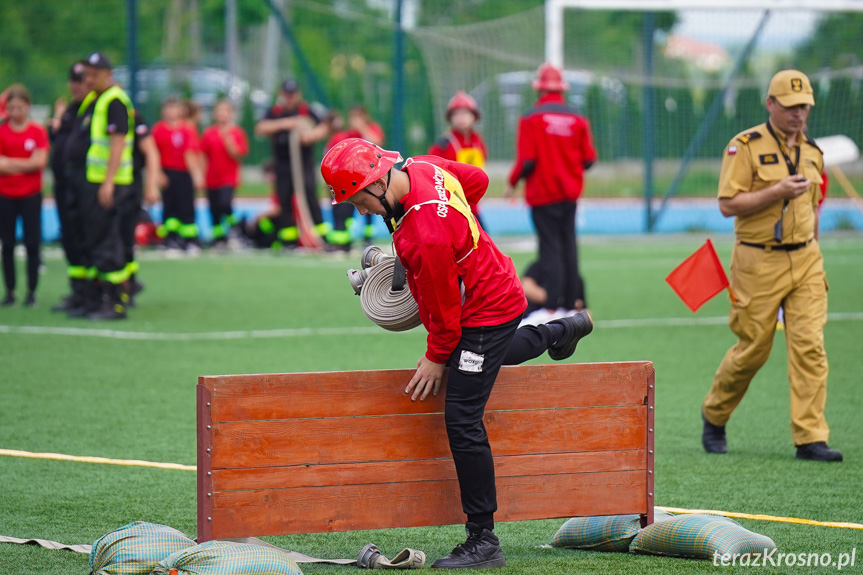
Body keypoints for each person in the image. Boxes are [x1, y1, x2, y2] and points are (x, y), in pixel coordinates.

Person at [321, 138, 594, 569]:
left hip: (487, 308)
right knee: (476, 361)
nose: (360, 211)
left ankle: (483, 540)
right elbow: (478, 180)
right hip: (493, 283)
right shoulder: (422, 168)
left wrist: (434, 356)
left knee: (461, 415)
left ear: (376, 182)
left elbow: (446, 319)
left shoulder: (422, 236)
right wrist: (459, 231)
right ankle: (563, 330)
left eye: (357, 201)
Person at [700, 70, 842, 462]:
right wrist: (776, 191)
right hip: (757, 260)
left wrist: (813, 246)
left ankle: (810, 437)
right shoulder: (744, 146)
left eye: (806, 107)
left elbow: (813, 206)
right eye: (792, 106)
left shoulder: (813, 151)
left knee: (810, 346)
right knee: (753, 349)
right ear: (771, 104)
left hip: (807, 259)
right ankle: (714, 413)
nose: (800, 114)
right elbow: (727, 204)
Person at [505, 62, 597, 323]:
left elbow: (527, 160)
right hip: (569, 194)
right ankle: (570, 303)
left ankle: (553, 305)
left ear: (539, 89)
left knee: (549, 248)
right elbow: (589, 159)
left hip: (542, 194)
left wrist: (512, 182)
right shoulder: (577, 118)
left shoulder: (531, 117)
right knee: (569, 245)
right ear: (562, 89)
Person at [64, 52, 137, 319]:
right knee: (95, 239)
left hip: (109, 184)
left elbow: (117, 143)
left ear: (108, 74)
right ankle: (96, 298)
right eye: (87, 75)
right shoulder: (96, 100)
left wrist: (107, 182)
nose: (88, 79)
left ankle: (115, 302)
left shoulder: (114, 100)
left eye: (94, 75)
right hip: (93, 181)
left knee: (108, 241)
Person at [254, 79, 331, 249]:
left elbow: (324, 126)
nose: (290, 98)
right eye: (287, 94)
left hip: (303, 163)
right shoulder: (276, 112)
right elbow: (260, 128)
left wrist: (311, 135)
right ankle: (289, 240)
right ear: (282, 95)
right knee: (284, 201)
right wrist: (287, 123)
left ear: (299, 94)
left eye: (293, 94)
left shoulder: (306, 110)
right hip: (282, 164)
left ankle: (322, 236)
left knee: (310, 197)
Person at [0, 84, 49, 307]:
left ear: (28, 107)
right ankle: (10, 291)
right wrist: (26, 165)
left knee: (32, 243)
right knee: (7, 244)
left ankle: (32, 291)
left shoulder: (37, 131)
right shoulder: (2, 131)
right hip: (5, 195)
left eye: (19, 107)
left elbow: (39, 162)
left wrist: (10, 163)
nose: (15, 112)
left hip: (31, 195)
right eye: (11, 108)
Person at [48, 61, 90, 312]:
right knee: (70, 240)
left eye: (81, 81)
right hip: (64, 185)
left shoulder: (91, 110)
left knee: (84, 239)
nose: (76, 86)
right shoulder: (71, 110)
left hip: (82, 185)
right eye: (73, 80)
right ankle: (78, 290)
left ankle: (90, 294)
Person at [325, 105, 385, 252]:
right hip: (351, 182)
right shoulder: (344, 135)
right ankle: (344, 243)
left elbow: (378, 142)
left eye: (358, 116)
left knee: (372, 209)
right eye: (352, 117)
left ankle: (368, 240)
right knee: (346, 211)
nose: (355, 120)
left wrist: (363, 128)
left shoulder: (372, 129)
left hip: (371, 178)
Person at [429, 91, 488, 230]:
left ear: (474, 117)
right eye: (457, 114)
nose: (461, 118)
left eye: (465, 113)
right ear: (450, 118)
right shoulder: (443, 144)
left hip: (473, 206)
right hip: (451, 205)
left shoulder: (478, 142)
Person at [153, 97, 204, 252]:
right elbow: (154, 154)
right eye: (168, 108)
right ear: (163, 111)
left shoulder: (187, 129)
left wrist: (196, 175)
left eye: (174, 108)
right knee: (169, 206)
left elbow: (191, 153)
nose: (171, 112)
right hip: (167, 172)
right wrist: (158, 174)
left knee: (186, 206)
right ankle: (171, 238)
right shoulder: (158, 129)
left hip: (184, 173)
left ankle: (190, 240)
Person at [122, 109, 162, 305]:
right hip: (100, 185)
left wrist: (152, 185)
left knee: (124, 237)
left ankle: (126, 285)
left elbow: (150, 151)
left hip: (128, 186)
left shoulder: (132, 117)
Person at [200, 98, 249, 248]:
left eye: (225, 111)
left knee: (224, 203)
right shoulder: (209, 133)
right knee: (214, 208)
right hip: (212, 177)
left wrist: (230, 143)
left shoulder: (236, 133)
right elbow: (203, 154)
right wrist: (200, 175)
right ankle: (219, 238)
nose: (222, 114)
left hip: (228, 177)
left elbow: (240, 154)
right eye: (219, 111)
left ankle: (235, 229)